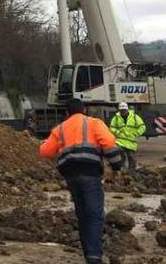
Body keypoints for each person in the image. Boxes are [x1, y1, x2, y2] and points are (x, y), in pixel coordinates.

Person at [40, 99, 123, 264]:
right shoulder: (94, 123)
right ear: (84, 110)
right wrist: (116, 168)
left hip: (70, 175)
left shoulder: (60, 128)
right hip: (90, 173)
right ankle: (93, 257)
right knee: (94, 214)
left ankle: (89, 253)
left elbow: (45, 152)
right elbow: (109, 145)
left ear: (66, 113)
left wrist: (47, 143)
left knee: (82, 213)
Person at [109, 102, 146, 170]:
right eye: (121, 110)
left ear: (127, 109)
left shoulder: (134, 117)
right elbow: (111, 127)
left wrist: (136, 133)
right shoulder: (116, 118)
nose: (123, 112)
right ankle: (122, 169)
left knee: (132, 158)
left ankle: (132, 172)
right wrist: (117, 132)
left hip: (131, 142)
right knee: (120, 154)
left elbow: (142, 127)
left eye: (124, 110)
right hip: (120, 141)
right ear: (119, 110)